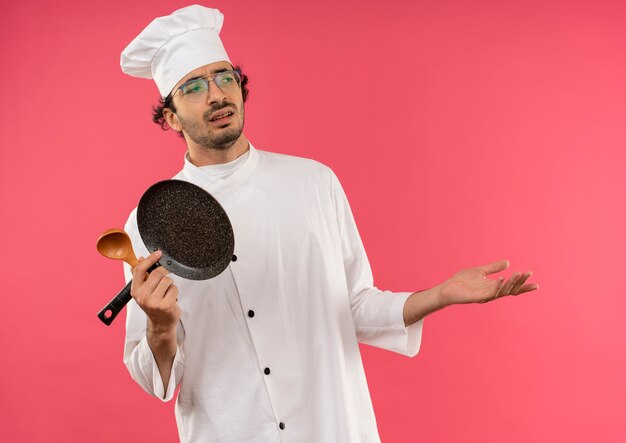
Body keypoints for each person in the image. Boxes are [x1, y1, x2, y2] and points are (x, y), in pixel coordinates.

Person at [119, 5, 538, 443]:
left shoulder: (314, 182)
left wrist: (442, 295)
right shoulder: (149, 221)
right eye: (194, 86)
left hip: (331, 426)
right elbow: (157, 382)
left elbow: (354, 305)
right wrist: (160, 325)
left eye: (226, 78)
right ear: (169, 117)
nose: (217, 95)